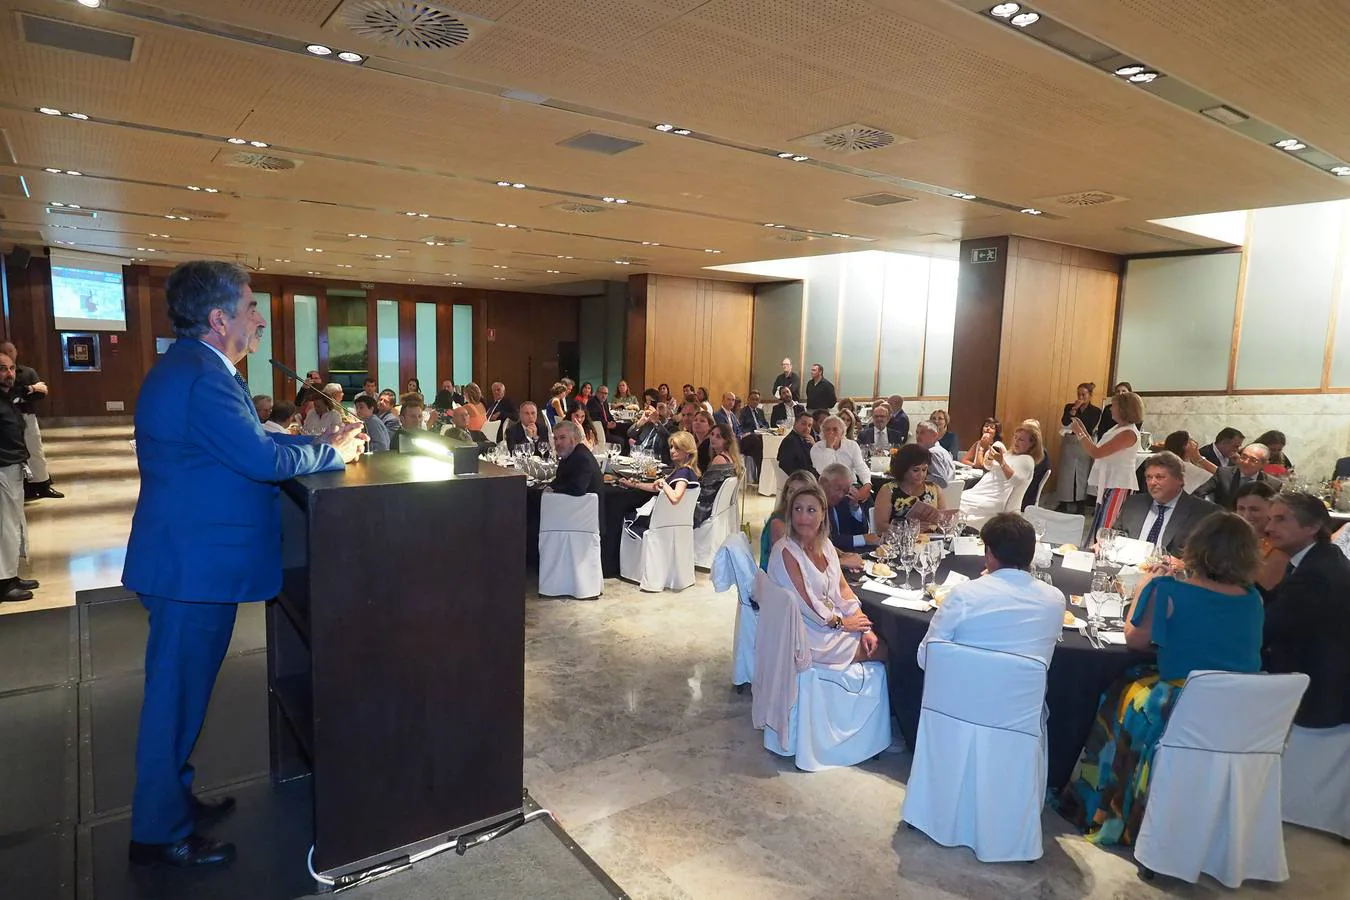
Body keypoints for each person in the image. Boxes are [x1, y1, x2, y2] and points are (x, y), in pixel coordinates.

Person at [122, 261, 361, 869]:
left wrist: (315, 444)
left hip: (190, 564)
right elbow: (258, 457)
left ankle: (172, 802)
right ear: (219, 317)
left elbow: (249, 440)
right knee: (174, 702)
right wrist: (330, 452)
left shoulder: (197, 369)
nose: (260, 319)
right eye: (251, 307)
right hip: (191, 571)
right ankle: (157, 833)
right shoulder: (204, 377)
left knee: (183, 699)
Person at [1059, 512, 1265, 847]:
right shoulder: (1252, 598)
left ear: (1196, 547)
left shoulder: (1168, 591)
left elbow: (1135, 639)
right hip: (1239, 706)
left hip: (1184, 703)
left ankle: (1105, 803)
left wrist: (1143, 588)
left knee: (1119, 692)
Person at [917, 513, 1065, 669]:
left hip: (961, 690)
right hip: (1024, 692)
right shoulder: (1055, 600)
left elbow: (926, 657)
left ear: (989, 554)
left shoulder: (965, 594)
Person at [767, 481, 886, 666]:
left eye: (811, 510)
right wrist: (843, 624)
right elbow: (807, 604)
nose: (803, 517)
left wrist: (864, 627)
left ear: (823, 514)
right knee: (888, 650)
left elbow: (843, 588)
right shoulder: (786, 552)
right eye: (797, 509)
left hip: (827, 626)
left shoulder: (825, 544)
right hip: (805, 635)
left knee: (882, 637)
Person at [1261, 492, 1350, 729]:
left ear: (1313, 525)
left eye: (1280, 519)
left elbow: (1268, 626)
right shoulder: (1321, 558)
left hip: (1318, 698)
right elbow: (1276, 603)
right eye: (1270, 519)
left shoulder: (1316, 574)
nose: (1269, 527)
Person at [1114, 451, 1218, 557]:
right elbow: (1116, 535)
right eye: (1149, 477)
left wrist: (1183, 565)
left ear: (1179, 480)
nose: (1152, 483)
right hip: (1125, 568)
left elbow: (1210, 556)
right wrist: (1106, 544)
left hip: (1171, 572)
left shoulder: (1204, 513)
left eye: (1159, 477)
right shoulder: (1134, 503)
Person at [1072, 390, 1143, 532]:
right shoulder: (1118, 428)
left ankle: (1102, 549)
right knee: (1100, 520)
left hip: (1119, 483)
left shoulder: (1128, 433)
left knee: (1107, 524)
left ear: (1124, 409)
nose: (1111, 409)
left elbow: (1097, 453)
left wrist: (1079, 433)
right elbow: (1097, 447)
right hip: (1109, 481)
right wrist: (1083, 429)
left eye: (1114, 405)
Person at [5, 341, 65, 503]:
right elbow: (9, 394)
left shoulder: (26, 372)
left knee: (35, 450)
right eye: (5, 351)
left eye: (11, 350)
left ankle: (43, 485)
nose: (9, 353)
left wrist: (24, 393)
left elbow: (40, 394)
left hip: (26, 415)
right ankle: (25, 488)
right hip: (6, 419)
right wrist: (29, 389)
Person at [0, 352, 37, 602]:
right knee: (4, 526)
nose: (10, 374)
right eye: (3, 369)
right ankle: (3, 582)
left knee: (14, 524)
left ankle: (11, 575)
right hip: (2, 467)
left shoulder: (6, 398)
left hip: (12, 465)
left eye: (12, 368)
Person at [959, 423, 1041, 528]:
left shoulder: (1026, 459)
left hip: (993, 496)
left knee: (957, 500)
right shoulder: (1009, 454)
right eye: (1015, 437)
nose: (1016, 441)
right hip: (982, 490)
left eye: (1021, 439)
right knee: (956, 497)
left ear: (1032, 444)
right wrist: (990, 458)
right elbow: (989, 467)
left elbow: (1015, 481)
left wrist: (1002, 461)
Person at [620, 430, 699, 537]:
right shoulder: (684, 471)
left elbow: (675, 497)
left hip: (663, 521)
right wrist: (635, 485)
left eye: (677, 448)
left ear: (687, 451)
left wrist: (663, 483)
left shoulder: (684, 472)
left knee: (624, 513)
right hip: (673, 521)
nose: (672, 451)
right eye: (671, 447)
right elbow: (656, 488)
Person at [876, 443, 945, 533]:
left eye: (924, 469)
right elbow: (881, 526)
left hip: (931, 541)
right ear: (903, 469)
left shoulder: (934, 489)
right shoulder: (888, 490)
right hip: (900, 542)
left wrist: (942, 522)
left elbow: (945, 521)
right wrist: (910, 529)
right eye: (915, 470)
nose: (921, 475)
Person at [1233, 481, 1288, 591]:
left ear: (1272, 510)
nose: (1246, 516)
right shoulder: (1227, 537)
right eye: (1241, 508)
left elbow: (1264, 589)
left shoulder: (1280, 546)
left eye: (1254, 510)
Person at [1194, 442, 1283, 510]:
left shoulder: (1273, 484)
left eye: (1253, 460)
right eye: (1243, 457)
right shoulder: (1224, 473)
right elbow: (1199, 493)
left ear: (1263, 464)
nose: (1245, 462)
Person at [1056, 382, 1101, 514]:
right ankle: (1063, 502)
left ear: (1090, 395)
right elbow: (1065, 422)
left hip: (1084, 442)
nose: (1081, 397)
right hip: (1070, 442)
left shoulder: (1096, 411)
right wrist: (1074, 410)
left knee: (1082, 473)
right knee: (1066, 473)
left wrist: (1077, 423)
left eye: (1084, 394)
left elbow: (1089, 426)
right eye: (1078, 394)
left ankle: (1081, 503)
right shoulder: (1069, 407)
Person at [760, 471, 819, 570]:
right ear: (785, 495)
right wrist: (843, 562)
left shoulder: (805, 520)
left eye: (801, 492)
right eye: (791, 491)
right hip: (777, 581)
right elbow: (796, 560)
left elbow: (818, 546)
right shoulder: (778, 523)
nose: (795, 496)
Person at [818, 463, 876, 562]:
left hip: (849, 557)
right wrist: (862, 539)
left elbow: (862, 532)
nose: (841, 495)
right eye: (838, 489)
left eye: (845, 491)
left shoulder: (844, 500)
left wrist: (855, 507)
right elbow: (826, 540)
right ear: (822, 483)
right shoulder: (813, 505)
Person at [694, 424, 742, 528]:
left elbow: (705, 490)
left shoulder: (719, 459)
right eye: (712, 434)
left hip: (706, 509)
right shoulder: (731, 458)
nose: (713, 438)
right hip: (720, 509)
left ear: (726, 441)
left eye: (718, 436)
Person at [810, 415, 870, 493]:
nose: (831, 432)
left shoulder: (852, 445)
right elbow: (822, 470)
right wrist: (829, 447)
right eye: (827, 429)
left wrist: (867, 484)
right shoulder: (816, 448)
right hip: (828, 489)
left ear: (842, 432)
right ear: (823, 432)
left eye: (835, 429)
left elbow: (860, 466)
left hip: (850, 486)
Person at [548, 421, 604, 502]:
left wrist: (553, 490)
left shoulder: (582, 458)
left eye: (562, 437)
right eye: (555, 438)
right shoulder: (570, 455)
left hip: (583, 512)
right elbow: (561, 480)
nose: (557, 443)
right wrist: (550, 487)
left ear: (575, 439)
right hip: (572, 507)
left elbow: (578, 489)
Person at [716, 391, 763, 474]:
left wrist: (741, 435)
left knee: (758, 440)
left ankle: (758, 473)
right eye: (728, 399)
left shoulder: (732, 415)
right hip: (729, 443)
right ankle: (759, 473)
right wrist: (738, 436)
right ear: (723, 400)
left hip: (737, 440)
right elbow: (723, 432)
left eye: (733, 400)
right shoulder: (718, 415)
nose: (731, 402)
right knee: (754, 439)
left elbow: (738, 429)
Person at [776, 410, 817, 477]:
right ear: (795, 423)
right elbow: (786, 467)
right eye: (803, 424)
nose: (807, 428)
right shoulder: (790, 441)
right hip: (801, 480)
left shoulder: (807, 440)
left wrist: (815, 446)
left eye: (809, 425)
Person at [914, 420, 954, 488]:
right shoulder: (942, 450)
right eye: (917, 433)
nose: (918, 436)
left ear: (935, 435)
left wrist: (917, 475)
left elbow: (941, 482)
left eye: (922, 433)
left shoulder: (932, 453)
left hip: (938, 495)